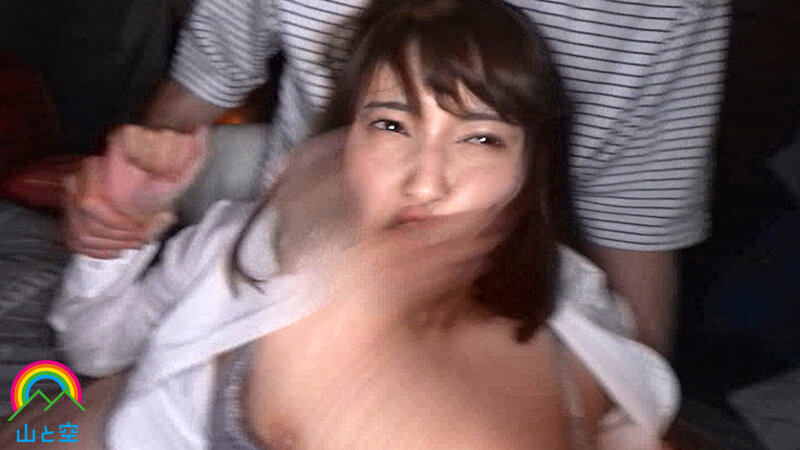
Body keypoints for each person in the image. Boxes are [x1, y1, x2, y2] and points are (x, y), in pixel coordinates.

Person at [47, 1, 678, 448]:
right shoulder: (242, 243)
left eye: (482, 138)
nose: (426, 182)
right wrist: (120, 234)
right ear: (346, 137)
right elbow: (94, 349)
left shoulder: (573, 316)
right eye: (392, 125)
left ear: (528, 168)